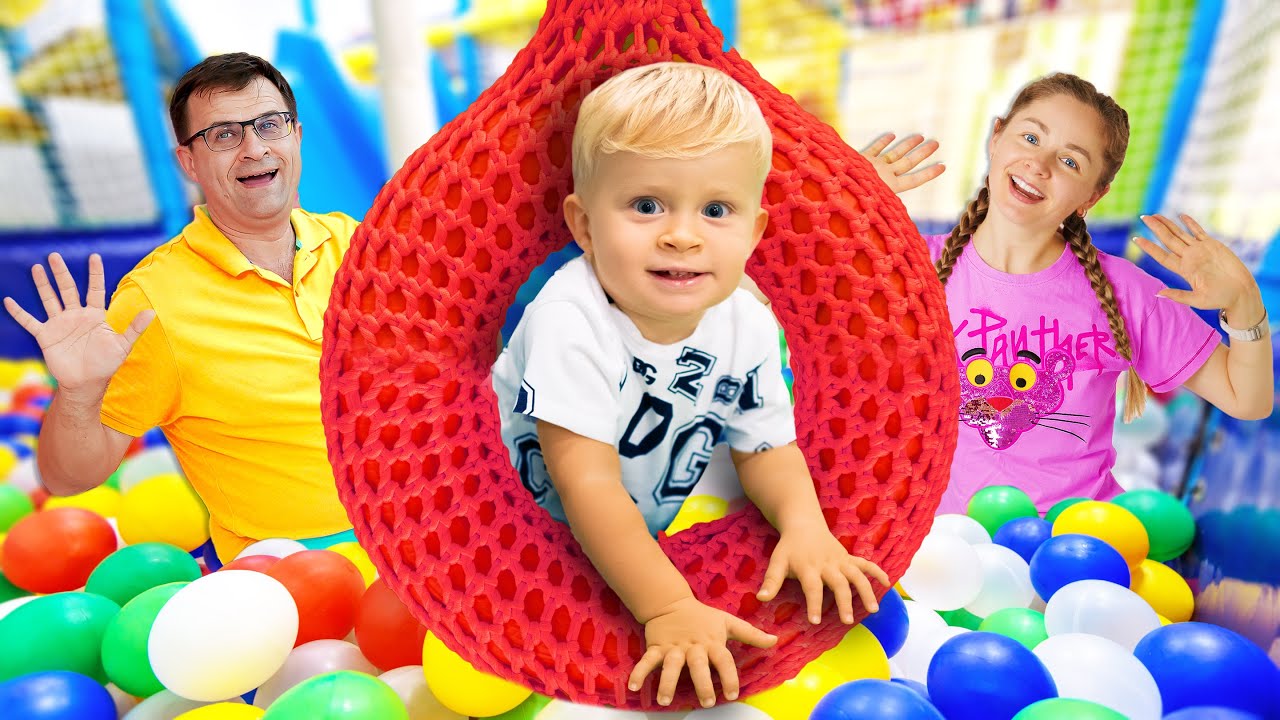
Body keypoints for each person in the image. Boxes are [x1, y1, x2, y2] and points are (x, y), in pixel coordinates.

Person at [490, 62, 892, 709]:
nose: (681, 235)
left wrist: (805, 526)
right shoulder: (570, 317)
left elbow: (766, 449)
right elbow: (586, 483)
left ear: (754, 233)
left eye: (715, 210)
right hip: (512, 537)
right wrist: (669, 606)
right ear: (585, 226)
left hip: (634, 537)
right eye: (646, 206)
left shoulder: (746, 323)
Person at [2, 53, 358, 562]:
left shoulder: (360, 246)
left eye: (269, 125)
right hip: (302, 571)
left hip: (432, 536)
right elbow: (67, 478)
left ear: (296, 136)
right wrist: (79, 393)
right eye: (224, 135)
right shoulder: (154, 301)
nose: (254, 149)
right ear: (188, 162)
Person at [925, 72, 1273, 514]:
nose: (1040, 164)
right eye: (1031, 138)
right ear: (996, 137)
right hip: (946, 541)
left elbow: (1247, 400)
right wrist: (848, 195)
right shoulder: (912, 265)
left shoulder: (1123, 292)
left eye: (1070, 162)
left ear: (1094, 195)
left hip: (1074, 541)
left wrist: (1245, 302)